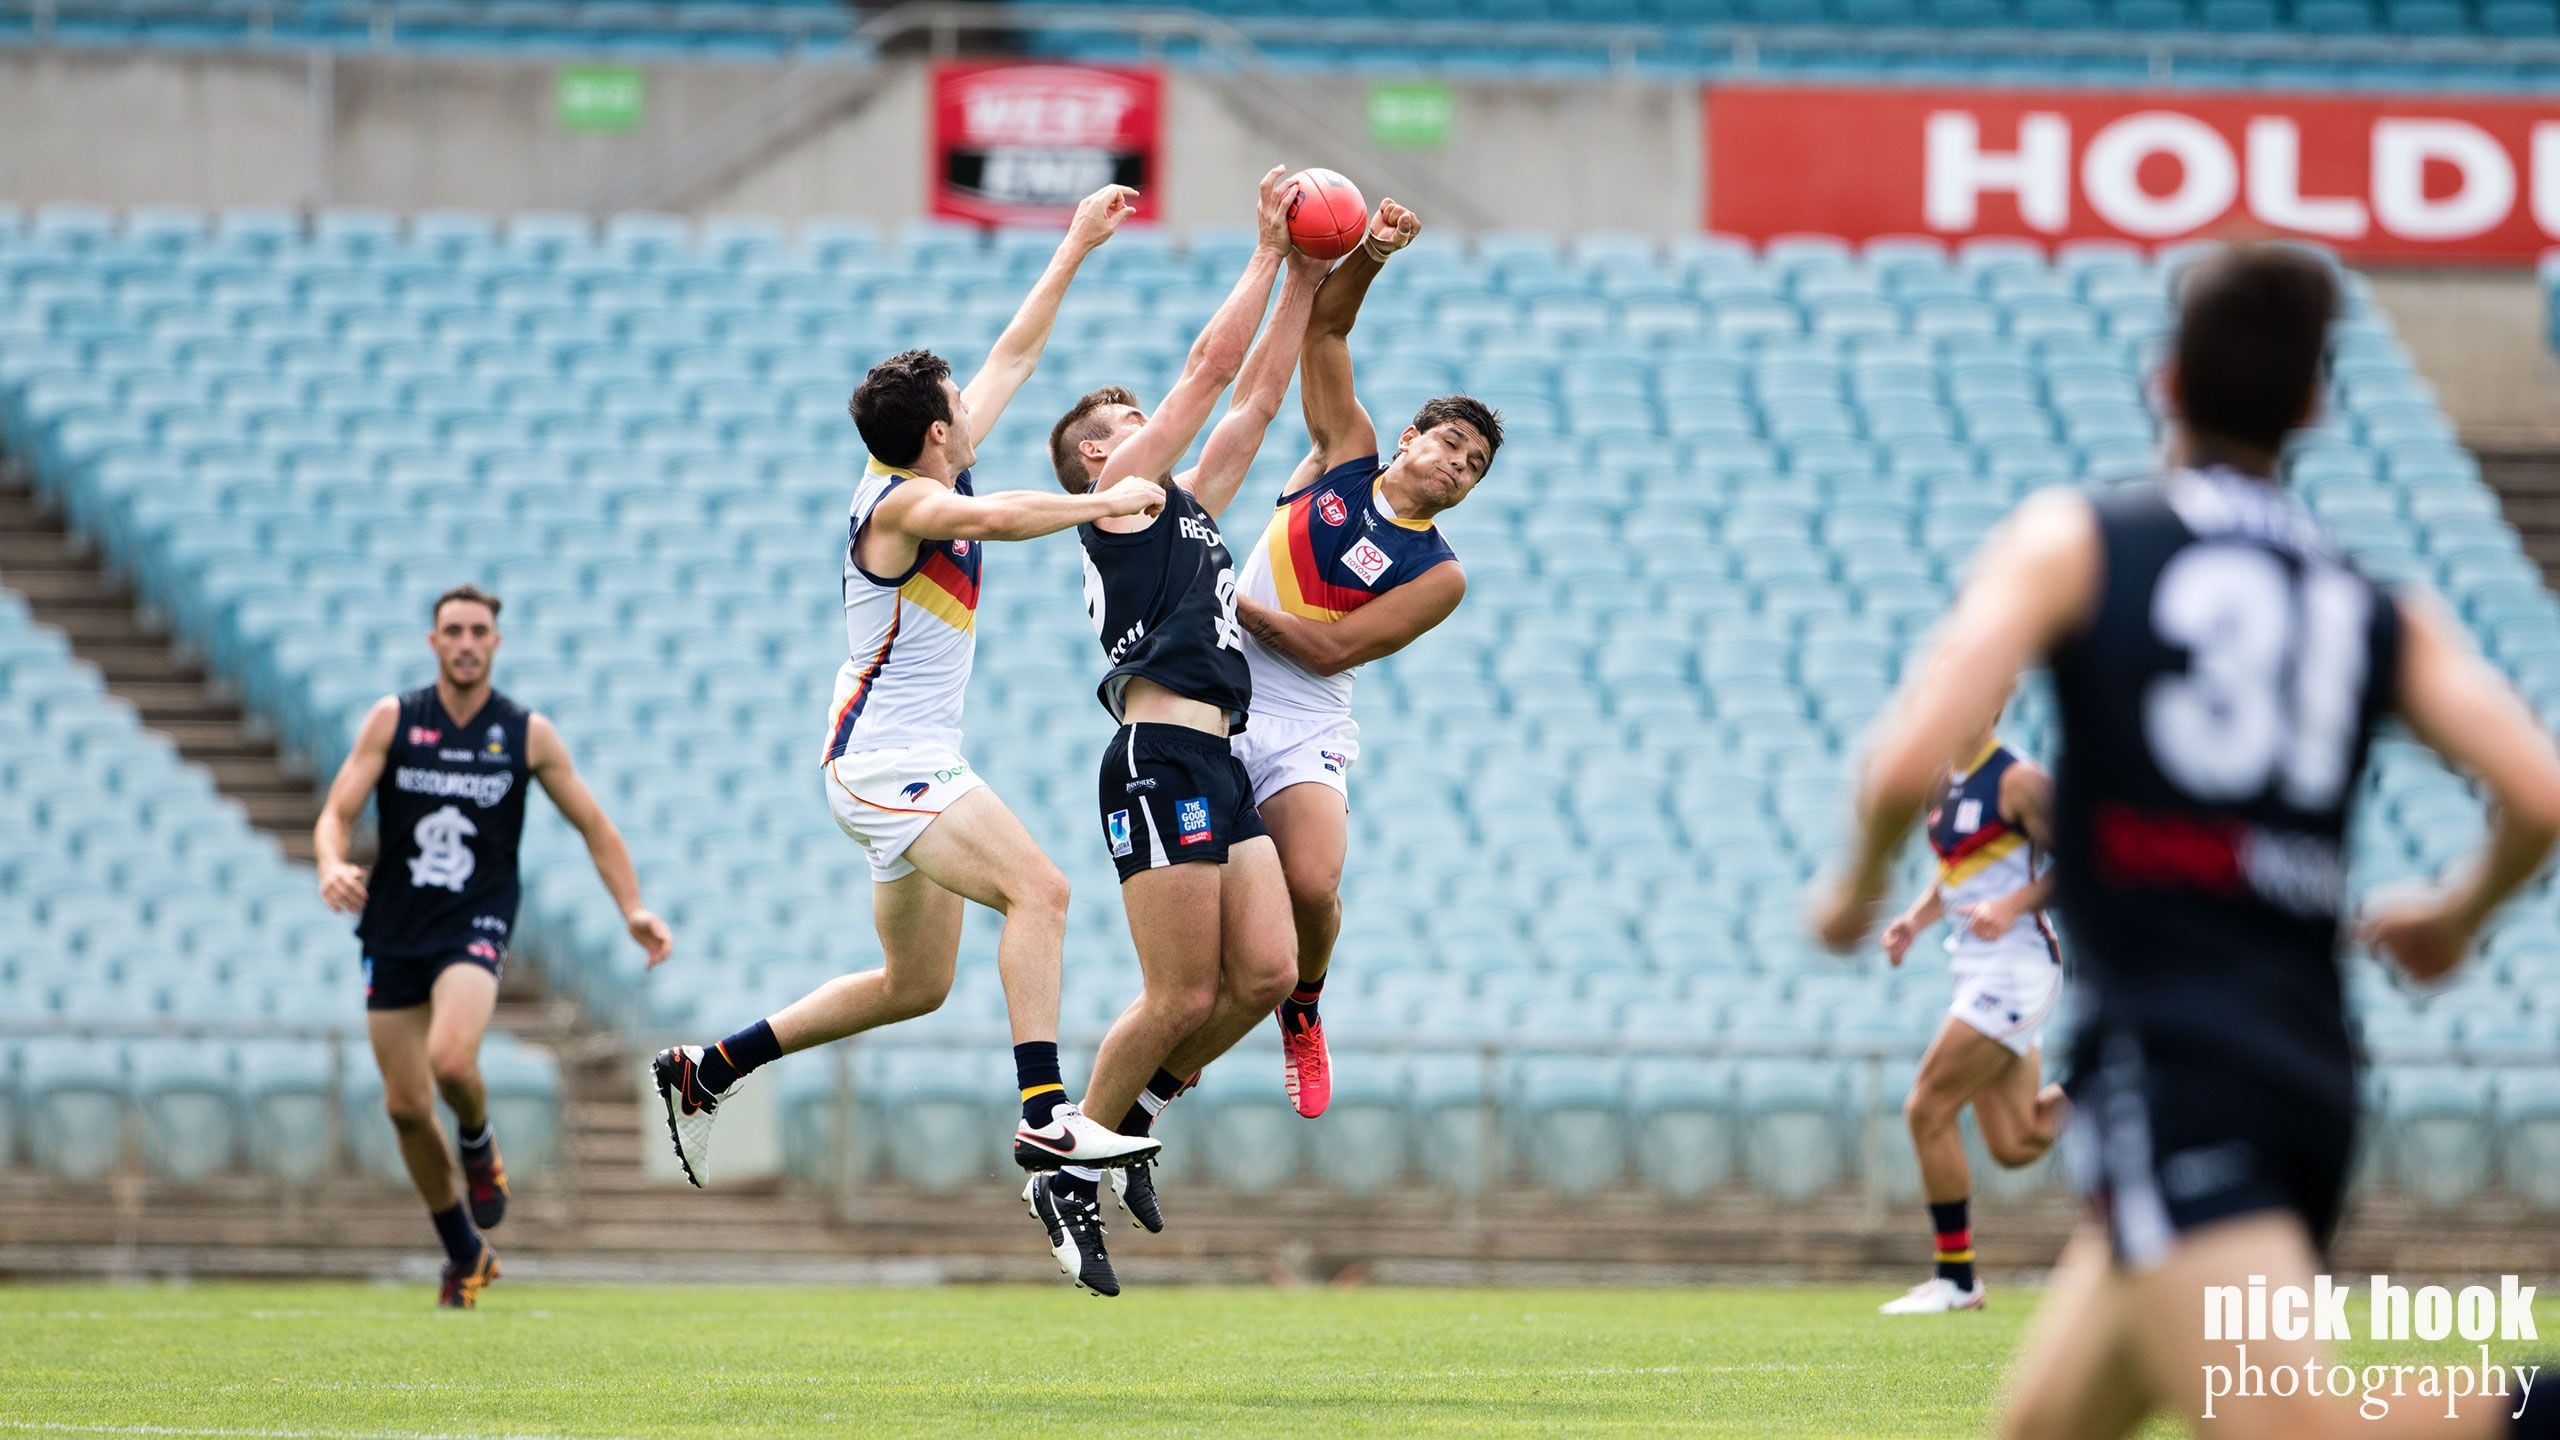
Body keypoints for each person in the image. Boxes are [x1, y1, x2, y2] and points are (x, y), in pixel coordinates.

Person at [1812, 243, 2560, 1438]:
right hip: (2306, 1065)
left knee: (2292, 1426)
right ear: (2314, 405)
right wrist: (2455, 915)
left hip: (2174, 1059)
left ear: (2162, 382)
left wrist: (1853, 884)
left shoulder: (2078, 538)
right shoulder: (2369, 598)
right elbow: (2537, 792)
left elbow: (1911, 750)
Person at [649, 186, 1167, 1190]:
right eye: (959, 408)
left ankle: (708, 1068)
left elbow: (1013, 353)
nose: (975, 407)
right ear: (937, 432)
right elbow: (1004, 519)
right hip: (885, 765)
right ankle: (1046, 1117)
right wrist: (1100, 500)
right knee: (1043, 892)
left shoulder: (929, 468)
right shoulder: (910, 505)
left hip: (900, 762)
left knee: (915, 985)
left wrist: (1074, 243)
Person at [1019, 166, 1324, 1296]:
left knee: (1265, 974)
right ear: (1092, 464)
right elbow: (1207, 373)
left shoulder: (1179, 505)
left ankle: (1137, 1112)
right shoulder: (1119, 500)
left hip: (1219, 753)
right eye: (1117, 426)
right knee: (1178, 994)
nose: (1138, 427)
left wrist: (1308, 273)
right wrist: (1260, 249)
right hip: (1156, 753)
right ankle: (1062, 1165)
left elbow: (1250, 400)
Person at [317, 584, 674, 1309]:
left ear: (496, 643)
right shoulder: (395, 719)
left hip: (474, 923)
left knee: (452, 1059)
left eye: (480, 630)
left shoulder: (525, 733)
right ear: (434, 642)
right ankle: (464, 1255)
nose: (467, 642)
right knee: (406, 1108)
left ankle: (478, 1141)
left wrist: (632, 908)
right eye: (454, 630)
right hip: (393, 926)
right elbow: (337, 812)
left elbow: (596, 827)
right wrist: (330, 863)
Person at [1226, 198, 1502, 1120]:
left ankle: (1305, 1009)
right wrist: (1375, 250)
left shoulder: (1441, 573)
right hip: (1217, 691)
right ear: (1413, 436)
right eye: (1451, 445)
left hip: (1304, 708)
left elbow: (1337, 645)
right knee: (1220, 939)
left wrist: (1229, 603)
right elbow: (1328, 327)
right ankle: (1176, 1067)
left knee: (1313, 884)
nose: (1456, 466)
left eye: (1474, 468)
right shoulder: (1345, 451)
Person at [1873, 702, 2067, 1315]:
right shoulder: (1943, 778)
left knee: (1926, 1106)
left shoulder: (2019, 781)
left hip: (2016, 966)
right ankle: (2121, 1076)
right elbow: (1953, 872)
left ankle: (1956, 1280)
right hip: (1975, 963)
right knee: (2018, 1141)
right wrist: (1915, 918)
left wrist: (2012, 905)